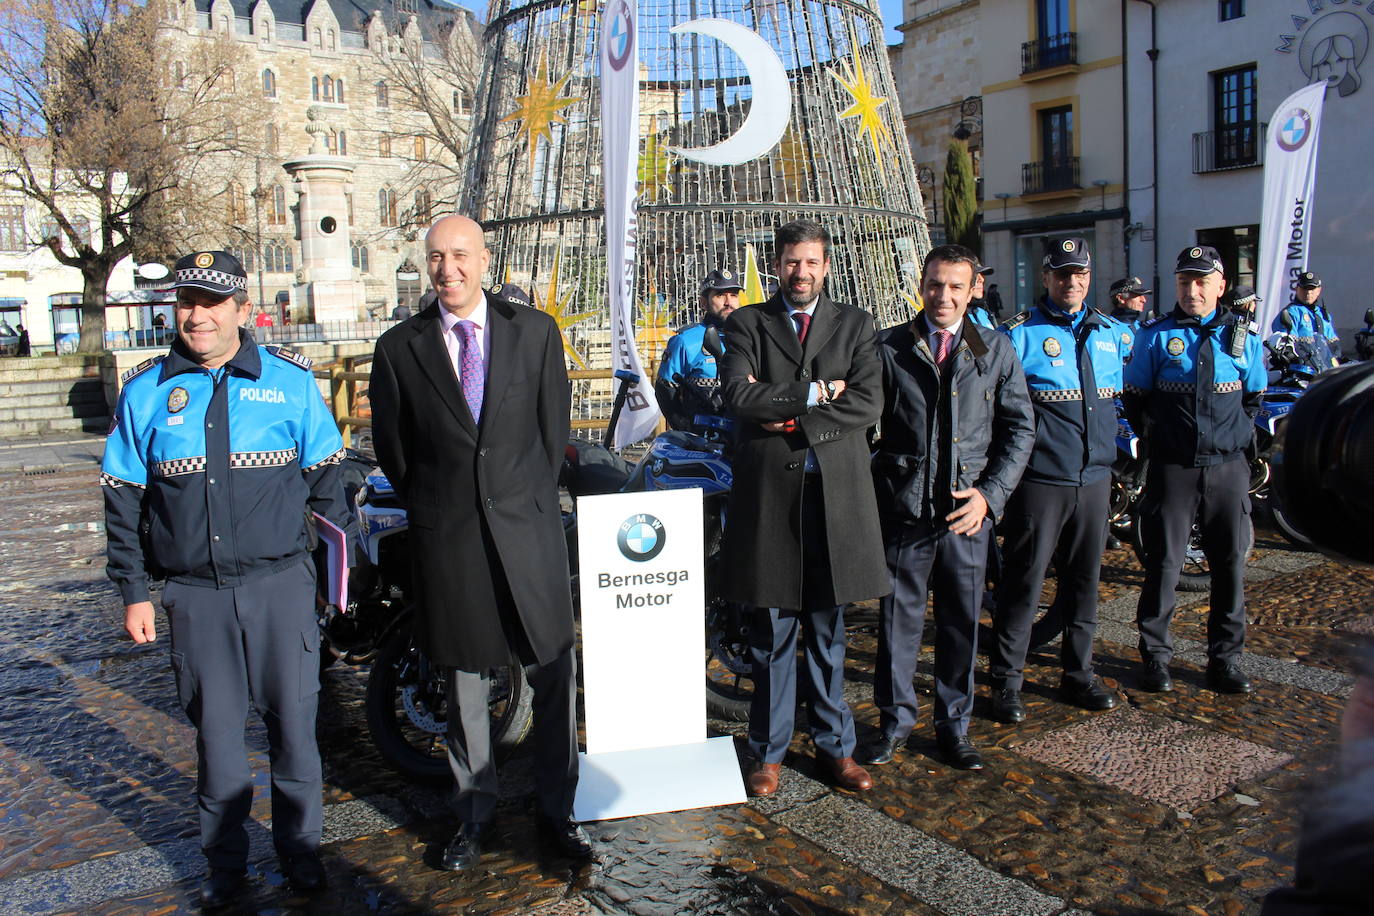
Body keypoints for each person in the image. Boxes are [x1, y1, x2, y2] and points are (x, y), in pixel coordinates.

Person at [100, 251, 351, 908]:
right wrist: (132, 592)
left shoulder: (291, 384)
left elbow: (329, 485)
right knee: (217, 746)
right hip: (196, 597)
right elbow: (122, 498)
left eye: (212, 302)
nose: (196, 314)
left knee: (295, 735)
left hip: (281, 590)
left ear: (243, 309)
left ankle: (302, 853)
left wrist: (331, 580)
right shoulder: (145, 392)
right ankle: (225, 866)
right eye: (186, 300)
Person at [367, 215, 591, 871]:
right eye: (436, 257)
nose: (448, 270)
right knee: (464, 687)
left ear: (485, 260)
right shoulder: (397, 348)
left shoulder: (536, 334)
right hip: (452, 538)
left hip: (528, 535)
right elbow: (396, 451)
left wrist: (517, 498)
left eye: (460, 255)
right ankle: (472, 816)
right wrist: (448, 507)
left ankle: (559, 812)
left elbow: (552, 436)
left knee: (554, 676)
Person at [719, 219, 889, 798]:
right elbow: (738, 395)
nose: (802, 272)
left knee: (827, 631)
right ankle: (766, 753)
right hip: (772, 501)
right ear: (778, 264)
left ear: (825, 266)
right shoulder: (747, 322)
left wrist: (789, 413)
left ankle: (836, 748)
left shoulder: (857, 325)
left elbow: (867, 402)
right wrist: (819, 392)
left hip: (834, 500)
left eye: (812, 262)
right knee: (771, 634)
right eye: (793, 261)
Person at [862, 245, 1034, 771]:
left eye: (956, 286)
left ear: (972, 289)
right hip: (904, 514)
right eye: (936, 284)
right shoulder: (890, 347)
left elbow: (1020, 429)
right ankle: (894, 723)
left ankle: (953, 727)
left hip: (967, 515)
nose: (944, 295)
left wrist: (991, 495)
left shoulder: (994, 350)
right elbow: (863, 421)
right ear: (922, 285)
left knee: (961, 626)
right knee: (898, 627)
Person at [988, 237, 1130, 724]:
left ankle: (1078, 673)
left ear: (1090, 276)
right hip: (1041, 482)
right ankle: (1006, 681)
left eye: (1080, 273)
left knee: (1084, 583)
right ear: (1045, 277)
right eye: (1061, 274)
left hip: (1093, 480)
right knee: (1024, 584)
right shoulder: (1018, 334)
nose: (1072, 282)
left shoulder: (1111, 332)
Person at [1122, 245, 1266, 695]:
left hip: (1226, 469)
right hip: (1174, 468)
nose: (1193, 290)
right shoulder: (1156, 335)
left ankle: (1225, 660)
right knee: (1163, 565)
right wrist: (1163, 437)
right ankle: (1156, 658)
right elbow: (1136, 397)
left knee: (1228, 566)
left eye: (1202, 281)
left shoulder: (1242, 337)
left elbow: (1253, 398)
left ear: (1221, 286)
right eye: (1185, 281)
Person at [655, 269, 741, 430]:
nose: (729, 302)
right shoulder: (685, 341)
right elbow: (665, 391)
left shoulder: (750, 336)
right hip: (704, 440)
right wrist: (685, 427)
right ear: (703, 302)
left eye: (734, 295)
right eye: (720, 295)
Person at [1272, 270, 1340, 369]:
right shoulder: (1291, 312)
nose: (1308, 292)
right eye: (1304, 288)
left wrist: (1336, 357)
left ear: (1319, 290)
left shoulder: (1323, 314)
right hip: (1302, 370)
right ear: (1297, 289)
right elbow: (1286, 344)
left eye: (1312, 289)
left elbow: (1333, 343)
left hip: (1325, 369)